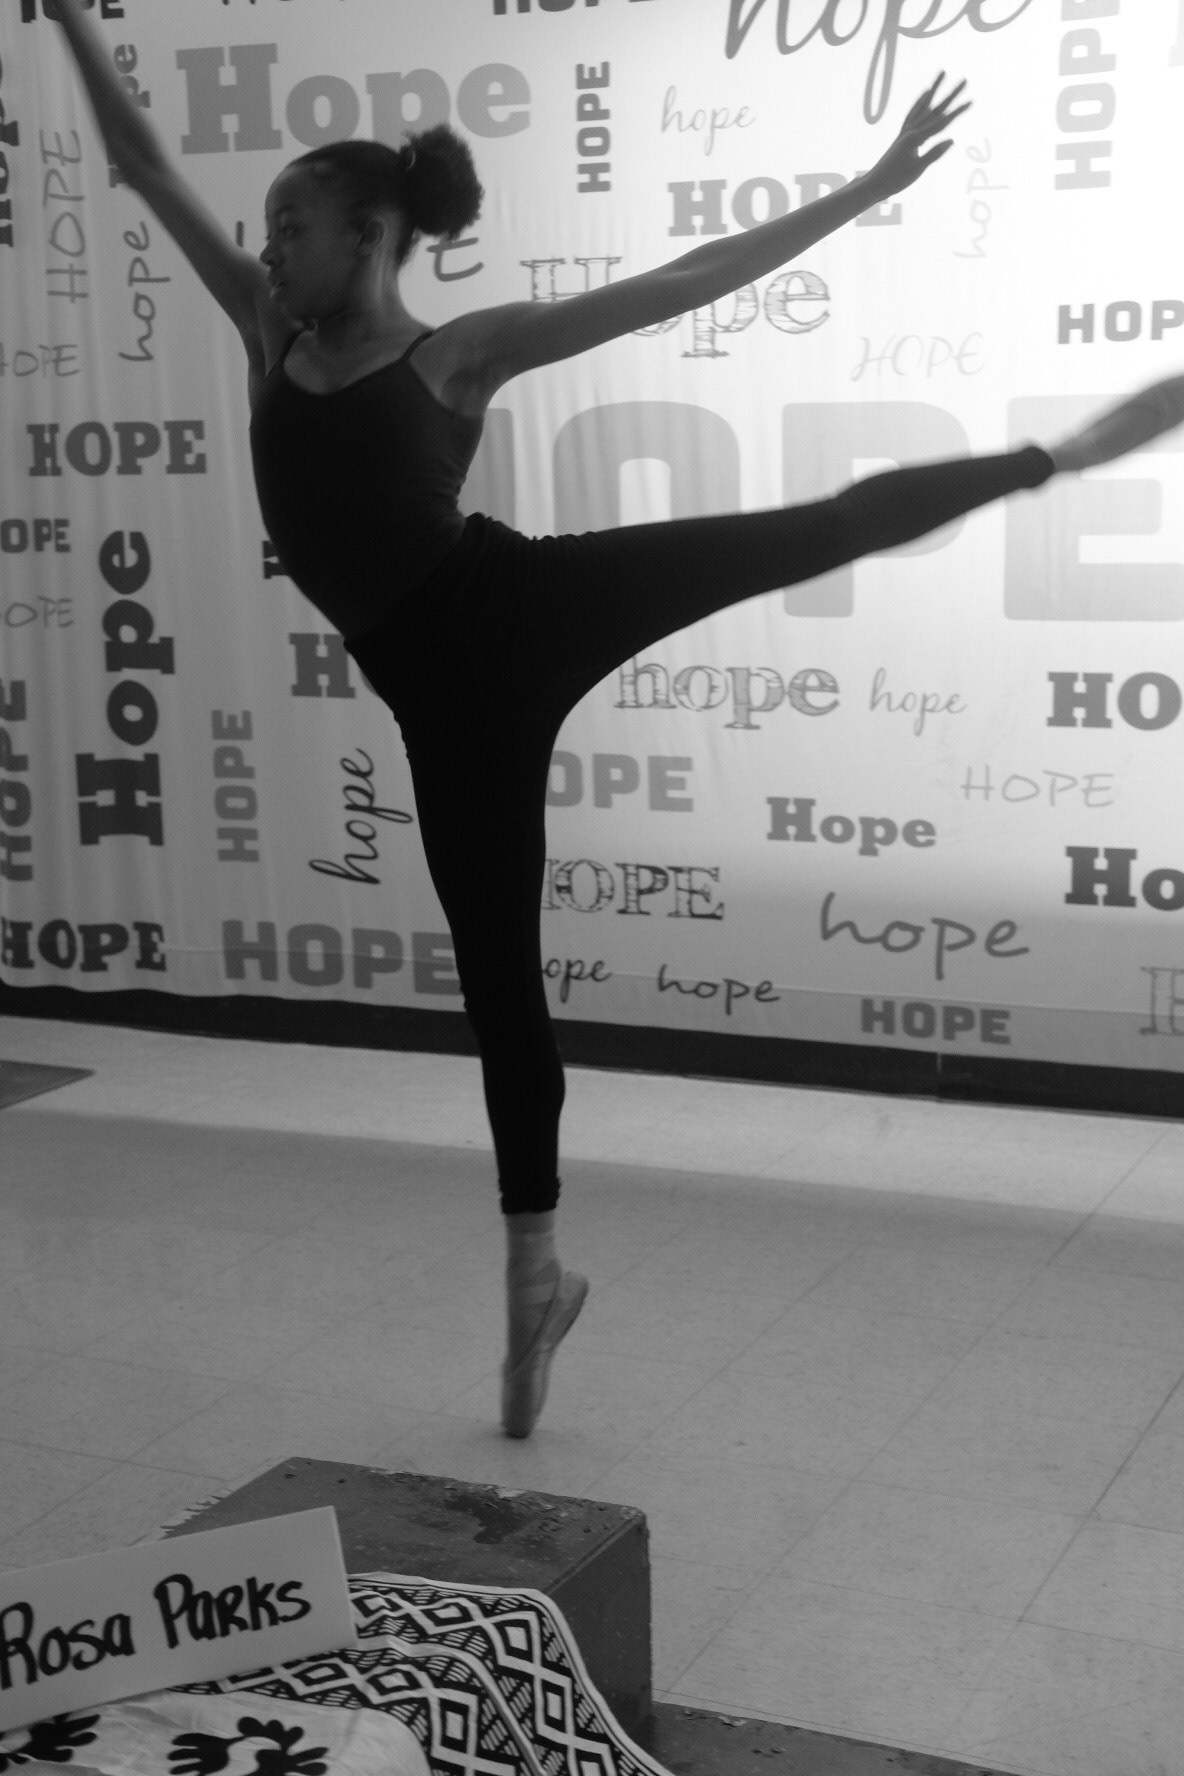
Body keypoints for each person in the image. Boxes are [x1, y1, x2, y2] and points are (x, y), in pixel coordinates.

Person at [55, 0, 1184, 1438]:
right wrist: (72, 15)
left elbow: (684, 281)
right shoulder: (265, 330)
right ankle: (536, 1275)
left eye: (291, 223)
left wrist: (867, 188)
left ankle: (1059, 455)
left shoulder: (458, 355)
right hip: (444, 704)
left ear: (373, 234)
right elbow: (144, 162)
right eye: (266, 227)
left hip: (521, 609)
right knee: (497, 984)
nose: (265, 246)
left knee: (804, 530)